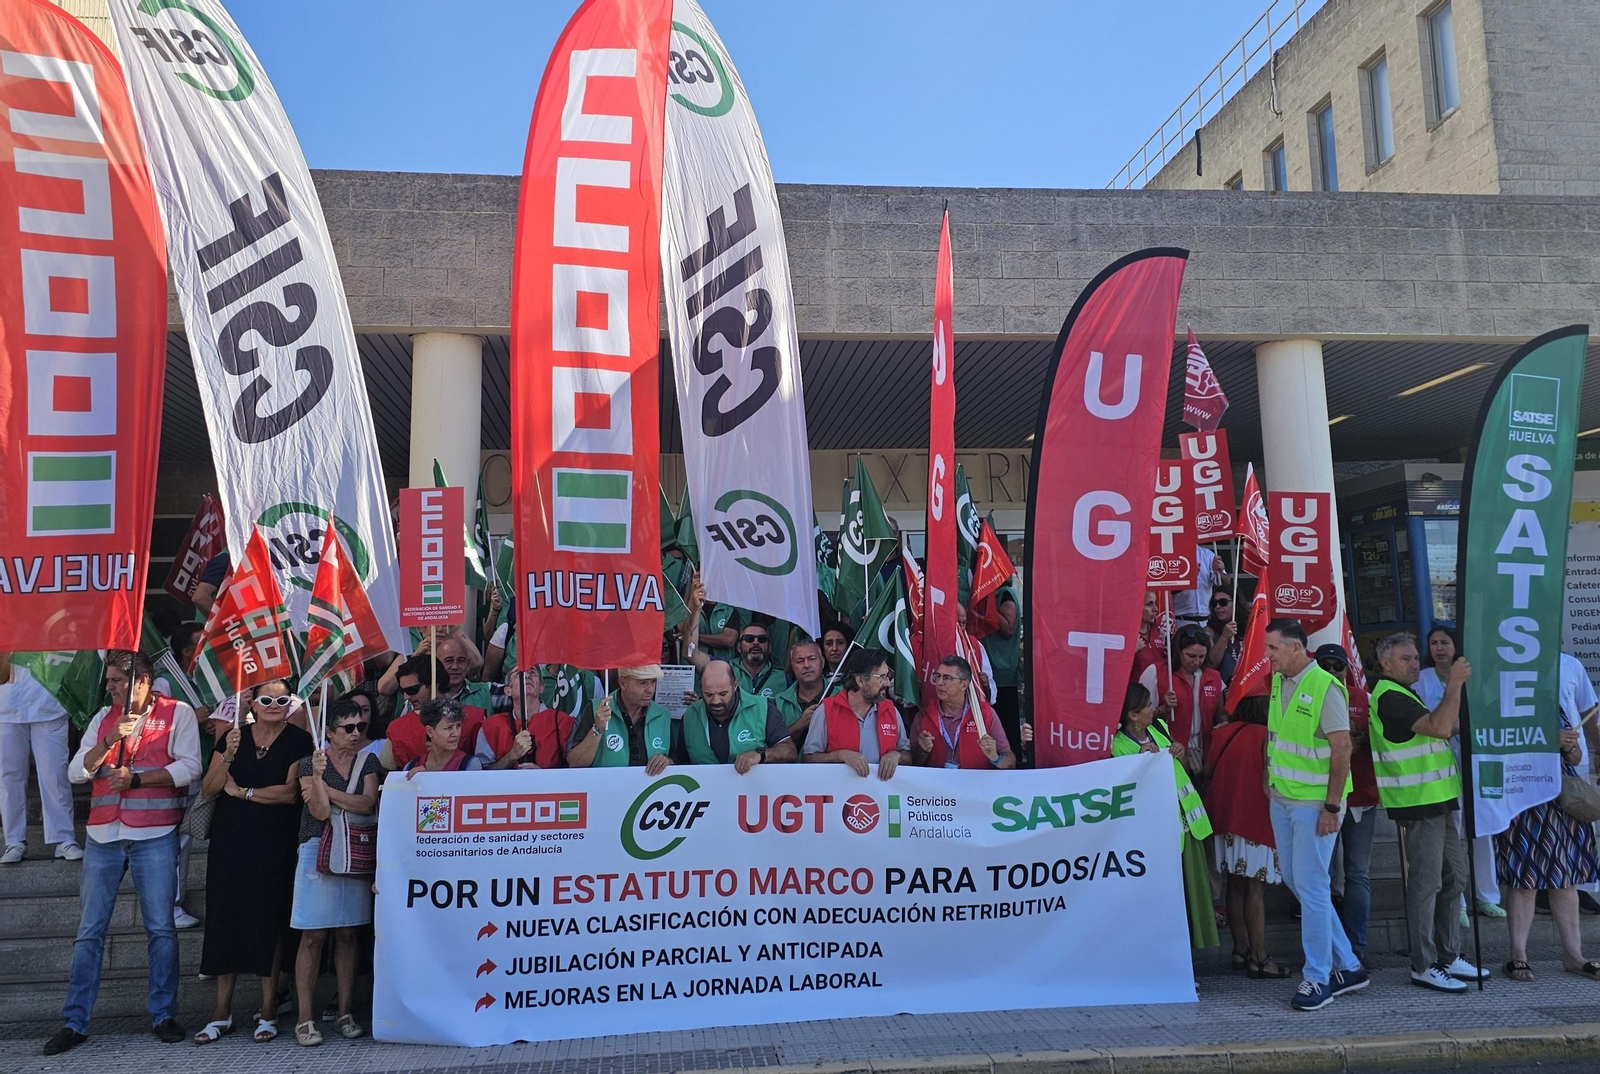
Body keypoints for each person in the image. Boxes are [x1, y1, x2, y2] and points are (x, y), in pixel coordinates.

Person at [45, 651, 201, 1055]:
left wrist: (137, 779)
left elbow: (191, 768)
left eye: (117, 680)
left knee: (162, 929)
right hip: (102, 835)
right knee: (89, 932)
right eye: (110, 680)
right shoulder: (102, 718)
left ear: (143, 680)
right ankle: (74, 1022)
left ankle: (164, 1014)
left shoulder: (178, 713)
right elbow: (76, 771)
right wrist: (110, 739)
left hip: (155, 834)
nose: (110, 687)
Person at [192, 679, 314, 1044]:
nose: (274, 704)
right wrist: (228, 755)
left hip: (275, 842)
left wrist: (243, 792)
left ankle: (268, 1011)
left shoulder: (299, 740)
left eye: (282, 699)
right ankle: (221, 1012)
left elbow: (289, 794)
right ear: (253, 703)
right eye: (266, 698)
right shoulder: (232, 736)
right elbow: (210, 788)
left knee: (269, 921)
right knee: (224, 918)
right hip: (231, 843)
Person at [1368, 633, 1487, 991]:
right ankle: (1423, 963)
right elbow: (1438, 728)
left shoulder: (1405, 693)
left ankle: (1449, 956)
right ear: (1385, 663)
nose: (1415, 663)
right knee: (1427, 883)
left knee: (1456, 877)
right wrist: (1455, 683)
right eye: (1405, 659)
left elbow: (1445, 725)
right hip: (1417, 803)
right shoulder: (1389, 696)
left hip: (1439, 799)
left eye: (1415, 658)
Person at [1262, 619, 1368, 1011]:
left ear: (1295, 648)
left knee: (1311, 887)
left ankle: (1318, 977)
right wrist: (1268, 779)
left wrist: (1332, 807)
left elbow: (1343, 749)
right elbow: (1276, 736)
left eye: (1272, 648)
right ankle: (1350, 965)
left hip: (1314, 806)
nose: (1267, 655)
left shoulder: (1325, 686)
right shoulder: (1278, 681)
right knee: (1300, 882)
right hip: (1284, 798)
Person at [1497, 654, 1600, 981]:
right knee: (1524, 879)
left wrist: (1570, 747)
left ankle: (1574, 955)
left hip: (1561, 800)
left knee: (1566, 879)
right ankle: (1519, 955)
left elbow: (1577, 754)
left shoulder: (1553, 708)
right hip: (1523, 798)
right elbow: (1500, 747)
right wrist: (1546, 740)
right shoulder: (1504, 709)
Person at [291, 699, 381, 1046]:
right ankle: (304, 1019)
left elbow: (368, 803)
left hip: (355, 852)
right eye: (348, 728)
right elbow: (318, 809)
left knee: (348, 934)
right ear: (329, 732)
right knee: (312, 935)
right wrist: (316, 778)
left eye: (360, 726)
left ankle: (345, 1013)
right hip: (318, 849)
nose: (357, 733)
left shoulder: (368, 760)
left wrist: (325, 789)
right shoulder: (307, 764)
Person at [1113, 683, 1217, 950]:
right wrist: (1137, 761)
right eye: (1148, 705)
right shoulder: (1117, 744)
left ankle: (1190, 960)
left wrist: (1180, 754)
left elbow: (1181, 769)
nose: (1153, 709)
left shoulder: (1159, 729)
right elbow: (1122, 785)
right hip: (1154, 834)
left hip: (1187, 825)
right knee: (1164, 898)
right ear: (1132, 715)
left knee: (1190, 894)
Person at [1416, 625, 1504, 922]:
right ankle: (1459, 903)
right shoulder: (1422, 679)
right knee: (1453, 828)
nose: (1439, 648)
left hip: (1477, 759)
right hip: (1441, 763)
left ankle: (1486, 896)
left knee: (1482, 827)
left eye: (1444, 642)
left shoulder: (1473, 676)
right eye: (1433, 643)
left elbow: (1490, 713)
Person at [1203, 696, 1288, 978]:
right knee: (1255, 890)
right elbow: (1272, 776)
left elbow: (1208, 770)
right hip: (1254, 819)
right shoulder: (1265, 735)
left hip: (1224, 819)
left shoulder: (1222, 732)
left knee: (1235, 886)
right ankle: (1260, 958)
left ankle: (1240, 950)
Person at [1316, 644, 1377, 963]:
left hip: (1360, 797)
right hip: (1322, 797)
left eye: (1336, 666)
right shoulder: (1307, 696)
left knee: (1357, 873)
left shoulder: (1362, 698)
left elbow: (1378, 740)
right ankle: (1327, 945)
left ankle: (1356, 946)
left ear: (1346, 668)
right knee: (1320, 875)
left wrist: (1360, 739)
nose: (1331, 671)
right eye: (1324, 665)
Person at [0, 653, 81, 863]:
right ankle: (14, 841)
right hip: (6, 707)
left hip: (50, 703)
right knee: (9, 777)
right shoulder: (6, 622)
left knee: (54, 774)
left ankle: (63, 839)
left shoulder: (54, 619)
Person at [378, 648, 506, 770]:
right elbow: (386, 774)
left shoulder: (474, 718)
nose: (406, 696)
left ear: (435, 683)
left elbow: (486, 769)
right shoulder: (396, 729)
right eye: (403, 691)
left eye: (412, 690)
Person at [802, 649, 910, 780]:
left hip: (882, 798)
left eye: (887, 676)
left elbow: (908, 756)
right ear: (860, 681)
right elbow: (808, 759)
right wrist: (840, 755)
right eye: (881, 677)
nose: (887, 683)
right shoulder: (826, 711)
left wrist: (896, 755)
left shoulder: (891, 710)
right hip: (840, 797)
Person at [1138, 626, 1224, 777]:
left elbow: (1221, 715)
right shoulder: (1155, 672)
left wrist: (1223, 724)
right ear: (1178, 651)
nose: (1197, 662)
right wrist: (1162, 710)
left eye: (1202, 656)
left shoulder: (1214, 677)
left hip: (1205, 754)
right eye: (1191, 656)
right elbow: (1137, 716)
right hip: (1169, 752)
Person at [678, 662, 796, 770]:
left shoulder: (762, 708)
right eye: (708, 694)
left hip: (752, 790)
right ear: (700, 687)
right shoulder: (690, 715)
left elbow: (789, 751)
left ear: (735, 685)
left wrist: (761, 754)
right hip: (705, 791)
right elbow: (680, 762)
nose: (715, 701)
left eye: (723, 693)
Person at [567, 666, 678, 772]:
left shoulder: (663, 715)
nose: (650, 690)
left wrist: (667, 761)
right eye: (643, 683)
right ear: (623, 683)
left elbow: (677, 760)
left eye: (653, 682)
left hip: (650, 791)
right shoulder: (596, 709)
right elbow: (575, 763)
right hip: (606, 789)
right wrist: (597, 729)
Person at [910, 656, 1014, 769]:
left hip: (975, 785)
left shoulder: (985, 714)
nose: (939, 682)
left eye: (947, 678)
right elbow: (910, 765)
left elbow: (1010, 762)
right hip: (935, 786)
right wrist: (922, 751)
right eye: (937, 676)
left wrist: (995, 757)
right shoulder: (923, 715)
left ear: (964, 685)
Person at [478, 670, 573, 770]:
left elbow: (577, 769)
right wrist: (512, 756)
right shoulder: (490, 727)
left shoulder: (562, 722)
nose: (527, 676)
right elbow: (479, 777)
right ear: (508, 690)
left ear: (541, 687)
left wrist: (543, 776)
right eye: (519, 674)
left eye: (532, 672)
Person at [980, 583, 1022, 751]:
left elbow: (1008, 628)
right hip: (988, 673)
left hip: (1003, 675)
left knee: (1006, 729)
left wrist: (987, 605)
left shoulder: (1005, 594)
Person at [404, 699, 483, 774]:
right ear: (430, 731)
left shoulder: (470, 765)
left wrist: (427, 781)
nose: (456, 734)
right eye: (448, 728)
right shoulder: (411, 766)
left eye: (458, 726)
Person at [775, 638, 829, 747]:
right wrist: (799, 725)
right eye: (799, 661)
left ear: (822, 662)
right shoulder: (778, 702)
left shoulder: (840, 695)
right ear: (793, 666)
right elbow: (771, 744)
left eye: (812, 659)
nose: (806, 665)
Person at [1130, 591, 1165, 683]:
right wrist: (1131, 651)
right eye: (1149, 604)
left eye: (1155, 603)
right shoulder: (1127, 635)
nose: (1156, 609)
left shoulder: (1159, 631)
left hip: (1160, 690)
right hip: (1138, 693)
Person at [1207, 588, 1241, 679]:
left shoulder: (1250, 626)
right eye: (1214, 603)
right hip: (1223, 685)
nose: (1217, 607)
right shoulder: (1209, 631)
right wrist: (1224, 638)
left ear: (1235, 603)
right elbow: (1210, 665)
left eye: (1223, 602)